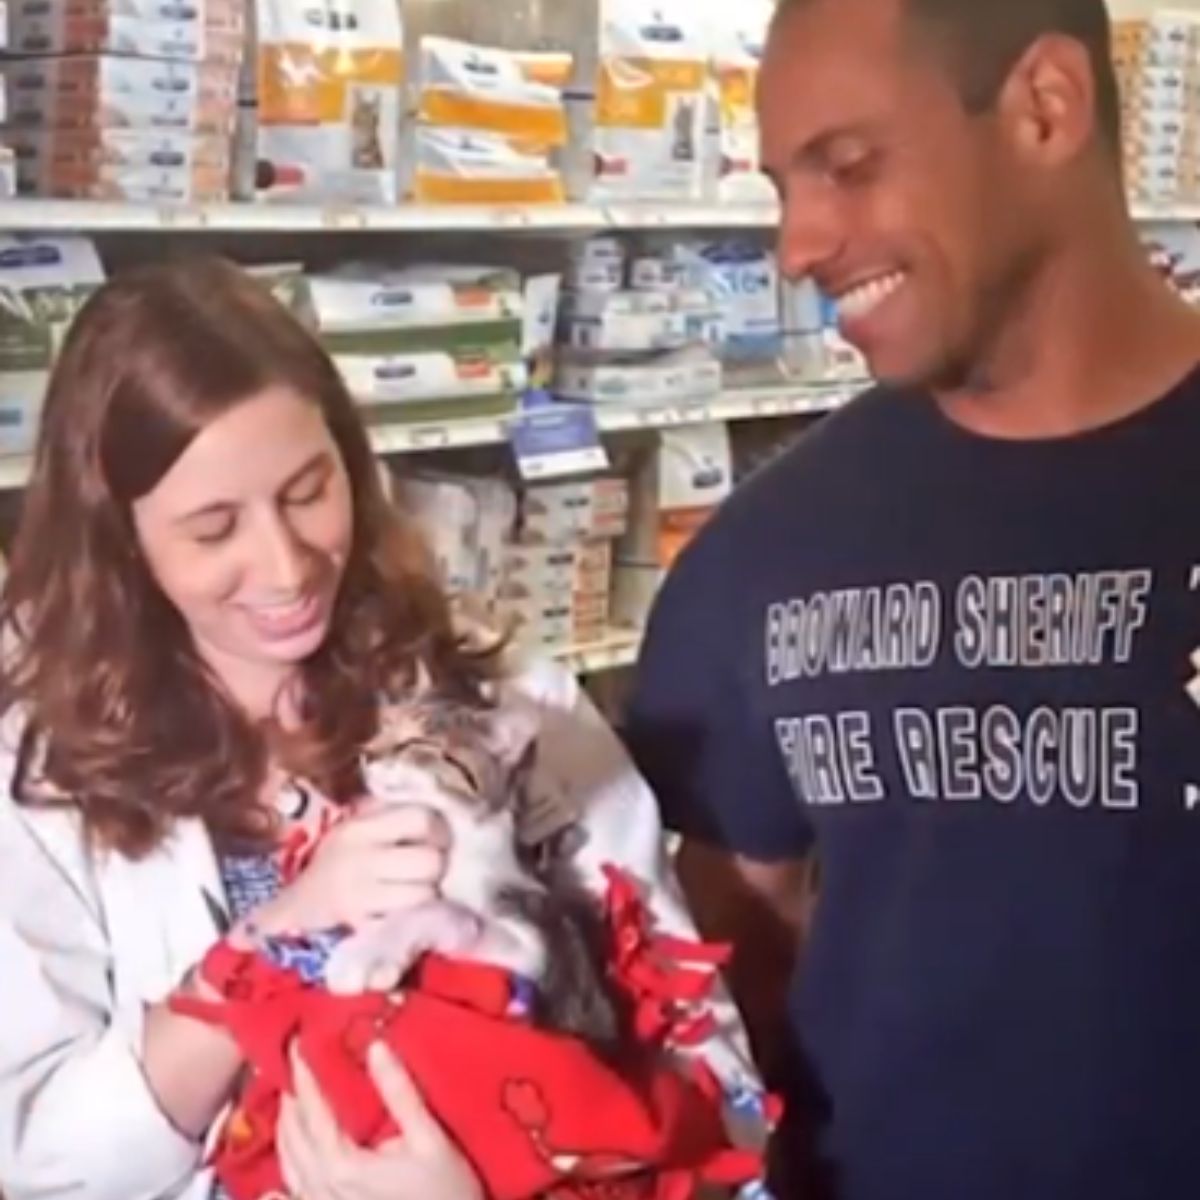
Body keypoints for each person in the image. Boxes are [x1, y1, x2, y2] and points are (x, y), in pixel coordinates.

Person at [0, 256, 764, 1200]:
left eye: (308, 490)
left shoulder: (505, 698)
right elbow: (41, 1162)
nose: (285, 568)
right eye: (212, 529)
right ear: (121, 541)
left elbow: (710, 1076)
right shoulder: (41, 767)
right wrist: (273, 939)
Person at [625, 1, 1200, 1199]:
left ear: (1047, 108)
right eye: (786, 185)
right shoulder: (764, 554)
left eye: (849, 165)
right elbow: (734, 958)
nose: (799, 242)